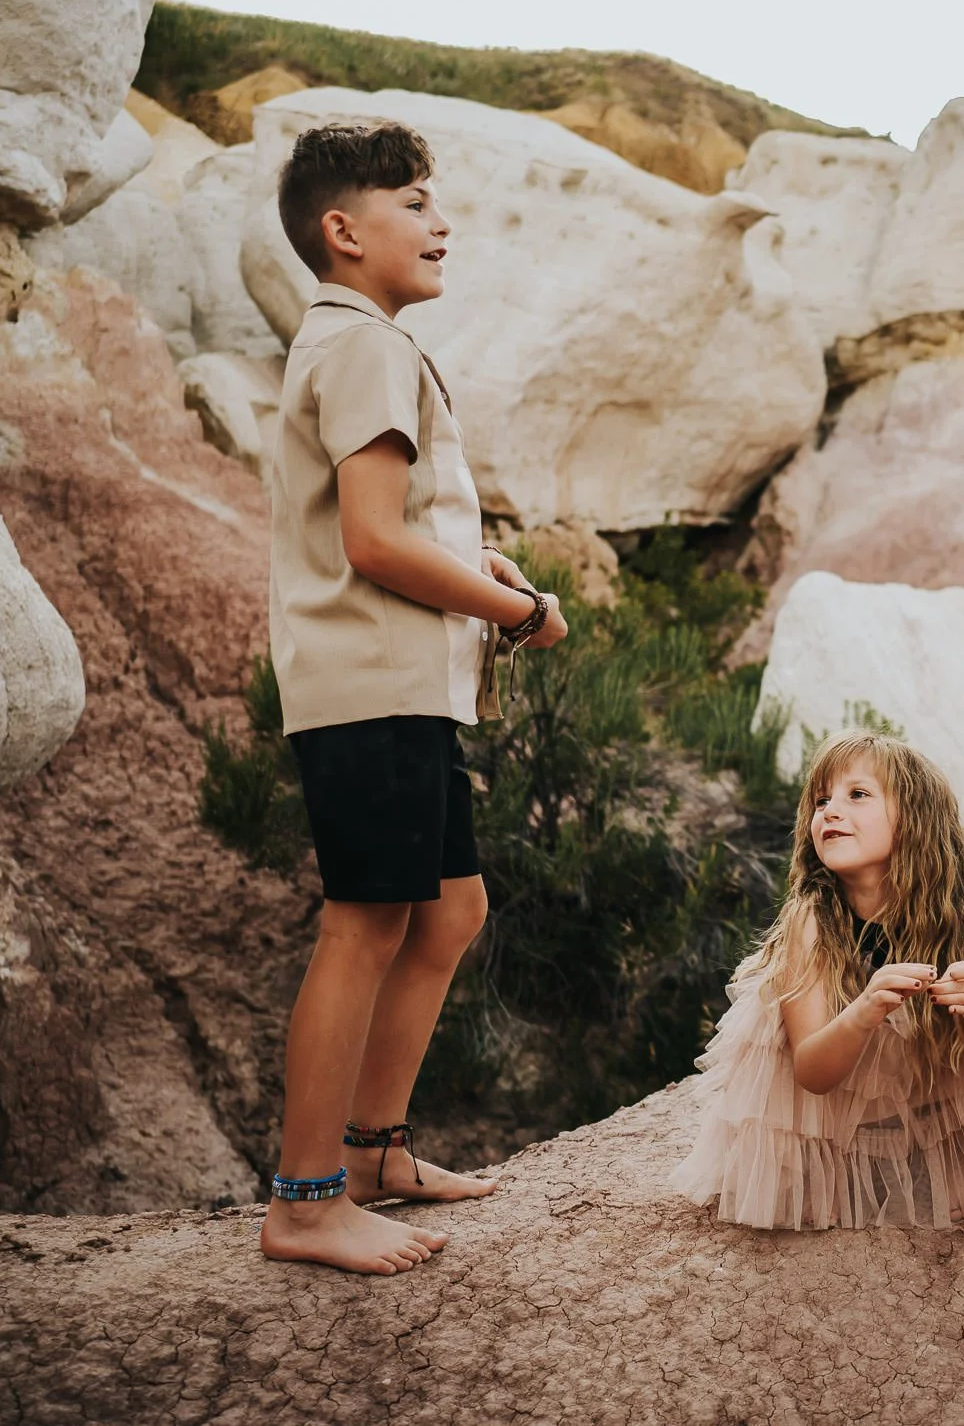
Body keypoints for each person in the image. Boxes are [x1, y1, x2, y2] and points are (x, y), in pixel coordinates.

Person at [257, 120, 568, 1275]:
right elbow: (374, 542)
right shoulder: (364, 347)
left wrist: (476, 566)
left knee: (448, 912)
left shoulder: (357, 342)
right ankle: (305, 1199)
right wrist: (519, 613)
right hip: (371, 682)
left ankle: (375, 1151)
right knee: (367, 924)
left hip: (396, 683)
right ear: (344, 231)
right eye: (417, 203)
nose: (444, 225)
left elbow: (393, 524)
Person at [671, 731, 964, 1228]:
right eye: (821, 801)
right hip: (838, 1121)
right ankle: (861, 1169)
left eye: (857, 794)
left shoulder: (961, 910)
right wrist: (865, 1009)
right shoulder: (812, 920)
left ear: (913, 818)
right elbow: (812, 1073)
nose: (830, 811)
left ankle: (941, 1162)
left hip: (933, 1106)